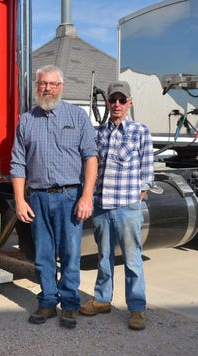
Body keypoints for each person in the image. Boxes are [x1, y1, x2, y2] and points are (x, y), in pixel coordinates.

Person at [10, 65, 98, 329]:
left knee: (70, 253)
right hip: (37, 198)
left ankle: (69, 305)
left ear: (61, 86)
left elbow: (90, 157)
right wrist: (20, 200)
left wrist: (87, 196)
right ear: (36, 86)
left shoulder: (77, 116)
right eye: (42, 84)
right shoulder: (26, 120)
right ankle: (47, 301)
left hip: (70, 197)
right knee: (43, 255)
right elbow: (17, 163)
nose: (47, 89)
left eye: (52, 84)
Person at [78, 80, 154, 331]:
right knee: (104, 256)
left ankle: (137, 308)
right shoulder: (98, 133)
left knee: (132, 259)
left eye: (122, 100)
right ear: (107, 103)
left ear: (130, 103)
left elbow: (147, 170)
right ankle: (102, 300)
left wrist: (138, 196)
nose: (117, 104)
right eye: (113, 100)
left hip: (126, 207)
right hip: (101, 206)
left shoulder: (140, 131)